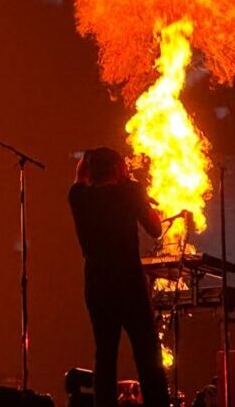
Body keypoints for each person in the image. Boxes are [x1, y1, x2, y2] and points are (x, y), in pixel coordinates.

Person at [67, 147, 170, 407]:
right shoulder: (129, 192)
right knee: (147, 353)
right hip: (129, 281)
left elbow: (79, 179)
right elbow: (156, 229)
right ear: (118, 169)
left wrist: (84, 169)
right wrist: (140, 195)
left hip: (96, 283)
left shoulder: (78, 196)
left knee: (105, 354)